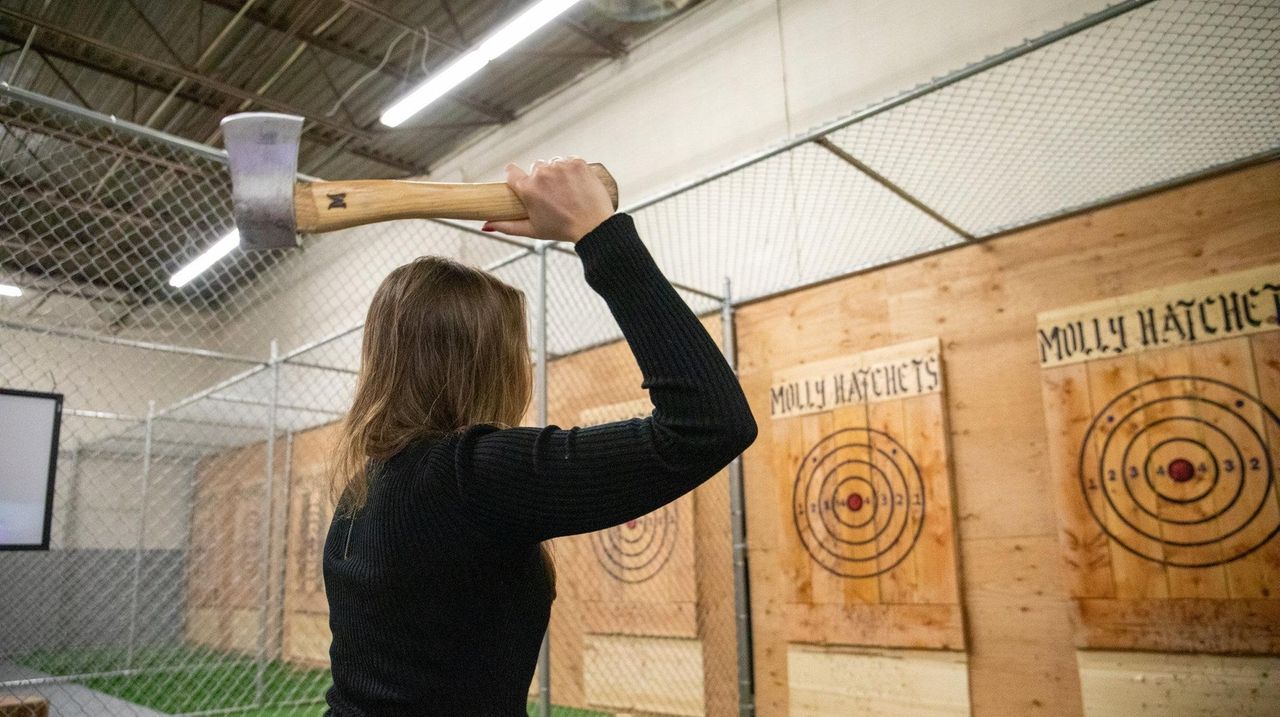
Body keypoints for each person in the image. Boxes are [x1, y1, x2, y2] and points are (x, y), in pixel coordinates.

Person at [323, 157, 758, 716]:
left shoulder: (365, 485)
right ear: (493, 364)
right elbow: (710, 424)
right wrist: (599, 234)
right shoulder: (468, 477)